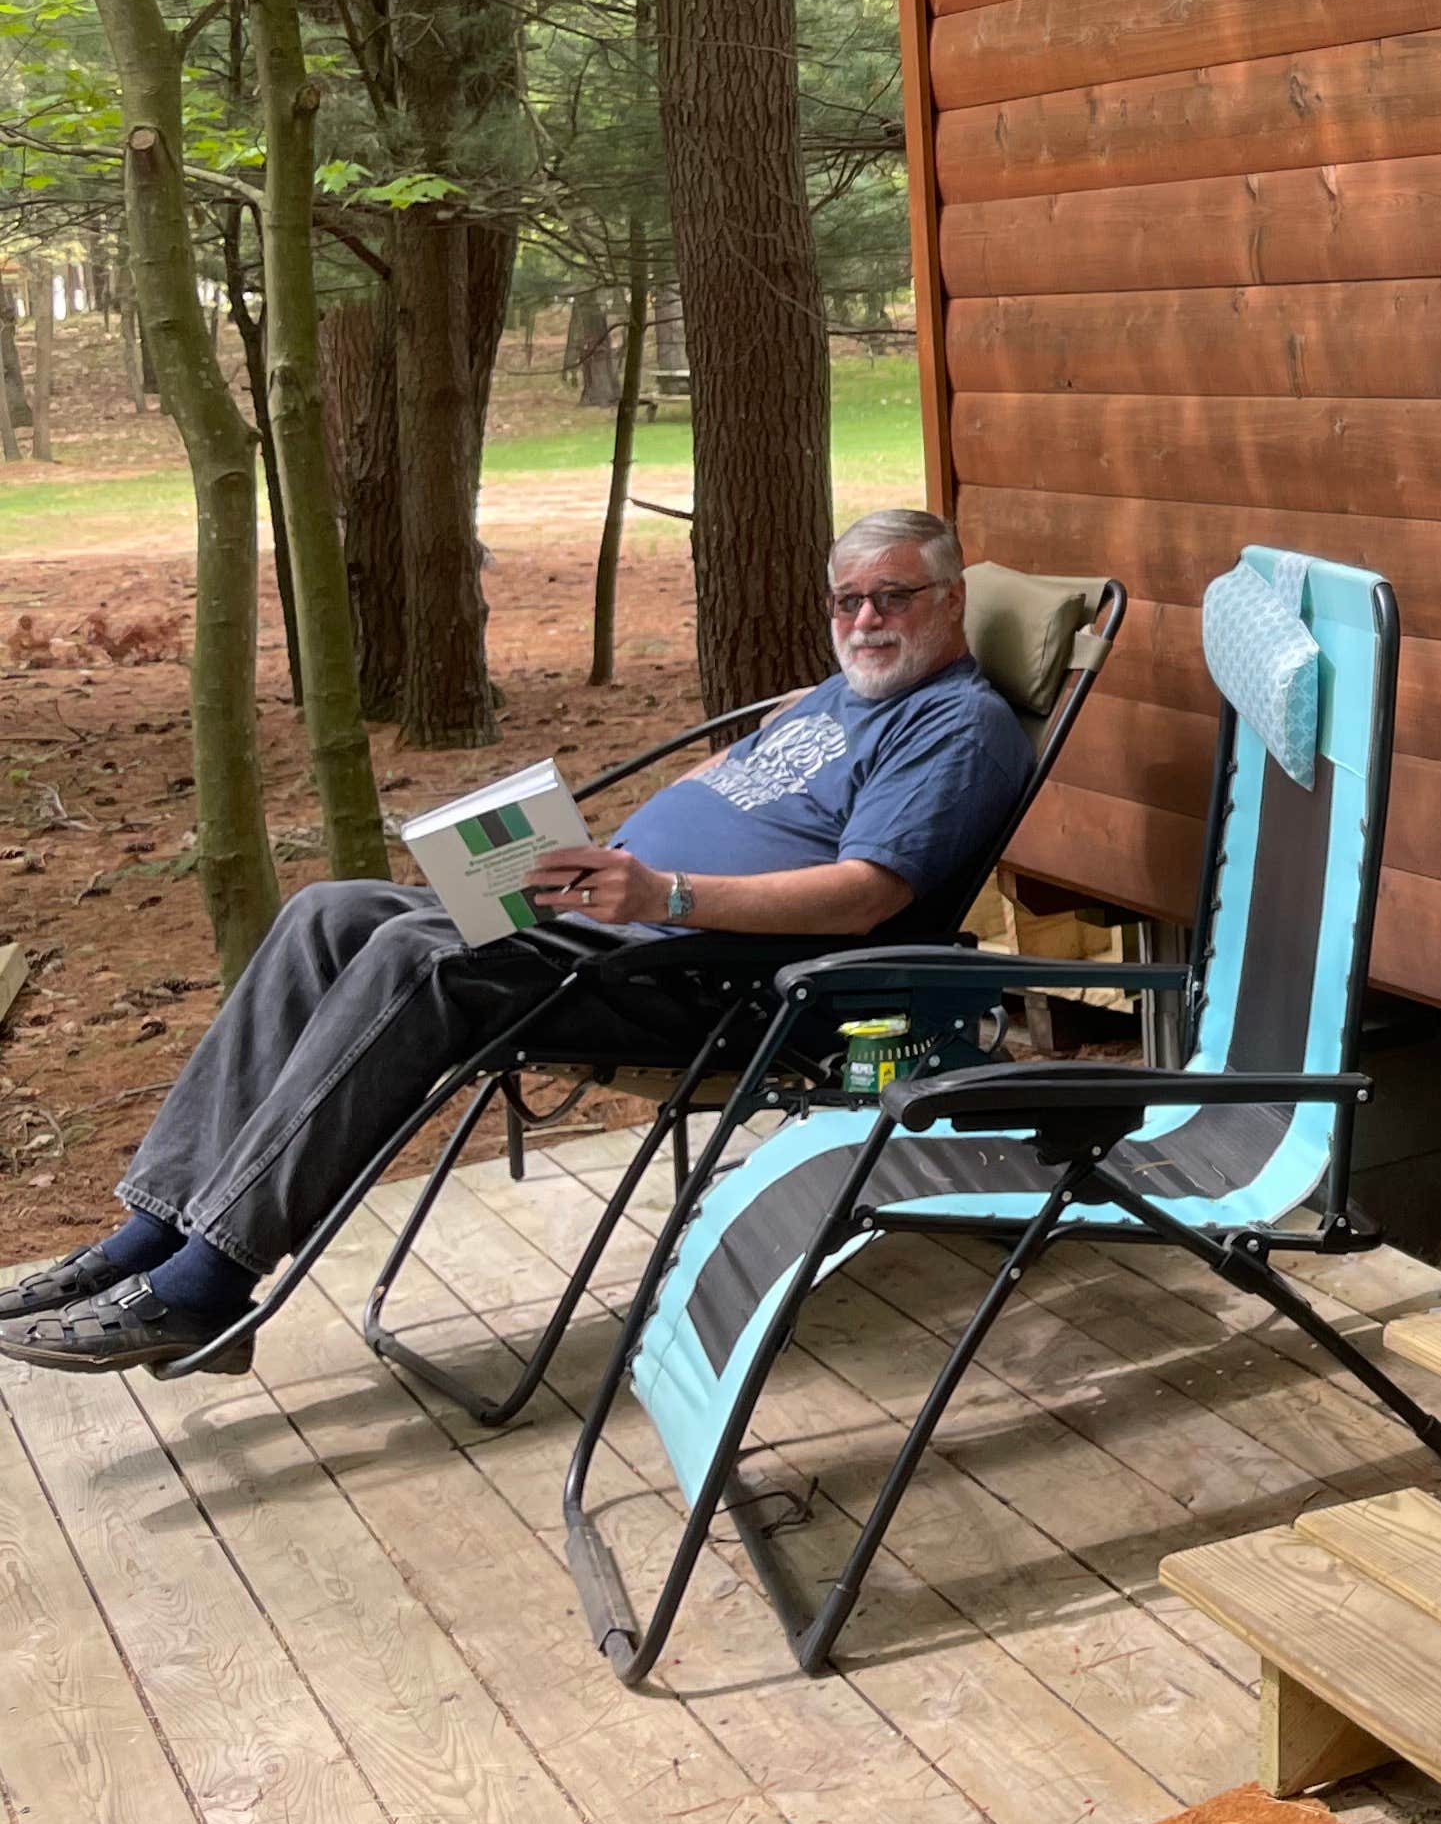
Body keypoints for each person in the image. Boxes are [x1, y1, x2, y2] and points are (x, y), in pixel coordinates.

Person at [0, 508, 1031, 1375]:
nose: (864, 618)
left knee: (417, 962)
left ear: (950, 602)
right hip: (603, 922)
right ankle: (152, 1231)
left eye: (892, 596)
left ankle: (208, 1280)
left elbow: (863, 895)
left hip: (718, 982)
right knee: (332, 912)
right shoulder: (835, 697)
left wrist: (659, 887)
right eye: (847, 598)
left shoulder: (953, 725)